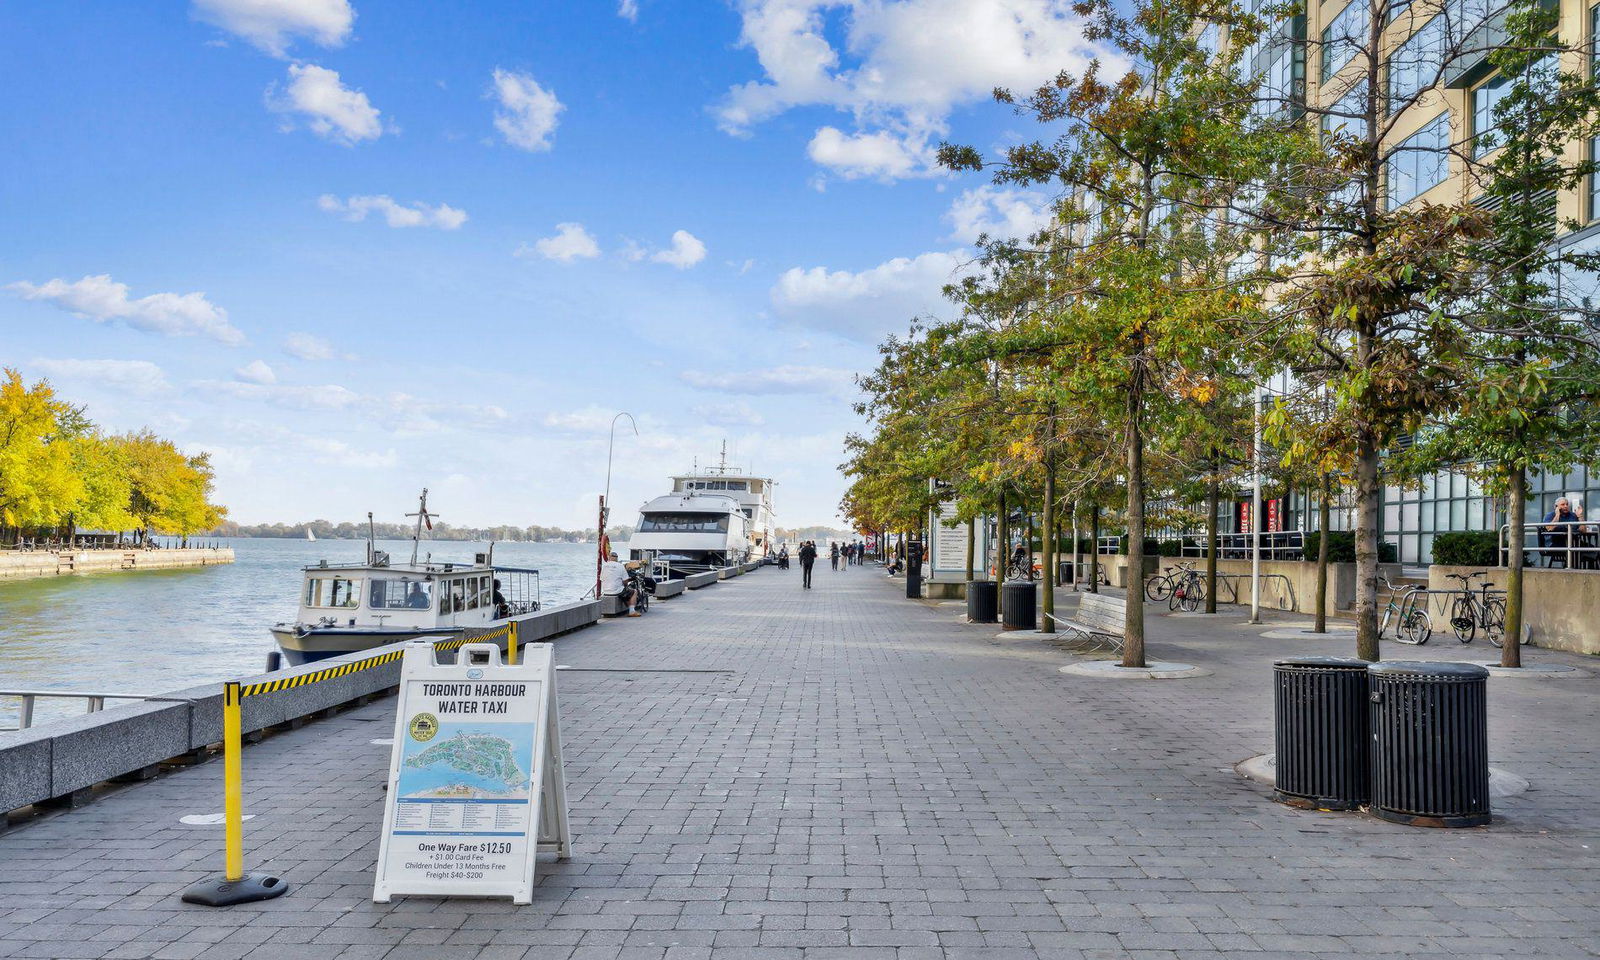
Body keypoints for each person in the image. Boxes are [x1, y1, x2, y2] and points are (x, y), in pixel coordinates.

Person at [1539, 497, 1586, 567]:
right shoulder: (1550, 515)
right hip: (1555, 543)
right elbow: (1549, 528)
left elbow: (1583, 530)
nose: (1566, 506)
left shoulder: (1572, 515)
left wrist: (1580, 516)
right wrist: (1557, 515)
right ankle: (1572, 570)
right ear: (1556, 506)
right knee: (1574, 549)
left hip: (1573, 542)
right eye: (1563, 504)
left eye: (1567, 504)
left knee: (1593, 550)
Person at [600, 551, 642, 616]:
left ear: (609, 558)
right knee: (634, 591)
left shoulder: (604, 566)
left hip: (605, 591)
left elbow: (601, 579)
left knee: (624, 591)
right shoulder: (620, 566)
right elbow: (625, 581)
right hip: (616, 591)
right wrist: (625, 586)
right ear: (617, 558)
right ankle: (632, 611)